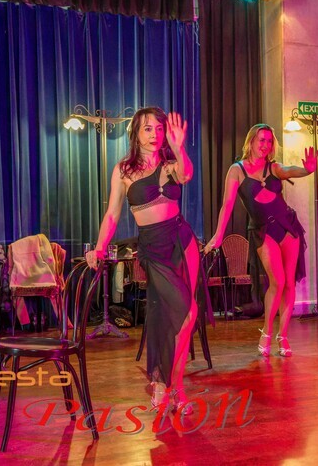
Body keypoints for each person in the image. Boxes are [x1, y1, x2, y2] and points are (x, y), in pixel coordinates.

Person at [86, 107, 197, 413]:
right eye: (147, 128)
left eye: (159, 129)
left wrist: (179, 146)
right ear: (135, 133)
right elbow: (112, 214)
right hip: (153, 248)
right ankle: (166, 384)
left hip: (182, 241)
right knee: (183, 313)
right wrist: (99, 247)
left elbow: (186, 175)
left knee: (184, 315)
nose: (154, 134)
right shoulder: (124, 170)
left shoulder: (171, 163)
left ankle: (174, 386)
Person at [204, 124, 316, 356]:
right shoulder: (237, 170)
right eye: (261, 140)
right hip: (263, 231)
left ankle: (283, 336)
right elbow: (227, 205)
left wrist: (307, 170)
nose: (265, 145)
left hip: (287, 227)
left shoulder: (273, 167)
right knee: (277, 281)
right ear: (251, 141)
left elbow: (290, 170)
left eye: (269, 141)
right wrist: (218, 235)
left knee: (289, 283)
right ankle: (267, 331)